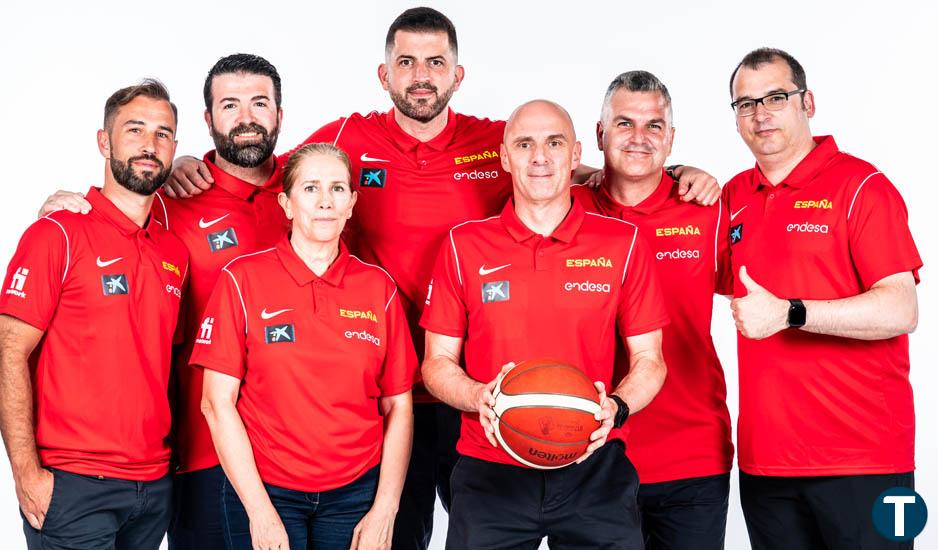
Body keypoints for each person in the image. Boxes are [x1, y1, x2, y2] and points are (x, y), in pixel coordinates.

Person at [160, 10, 718, 548]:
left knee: (482, 522)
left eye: (434, 62)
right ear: (385, 74)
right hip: (379, 394)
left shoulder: (496, 140)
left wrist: (671, 171)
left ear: (458, 74)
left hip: (478, 397)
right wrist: (193, 163)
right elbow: (289, 173)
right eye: (406, 62)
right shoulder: (351, 138)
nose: (420, 76)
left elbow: (554, 160)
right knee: (393, 533)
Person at [39, 53, 290, 550]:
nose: (245, 118)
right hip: (204, 454)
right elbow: (113, 217)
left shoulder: (311, 191)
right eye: (229, 104)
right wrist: (63, 208)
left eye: (259, 103)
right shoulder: (171, 203)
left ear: (280, 114)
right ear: (207, 121)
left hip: (309, 455)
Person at [420, 99, 669, 549]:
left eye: (554, 143)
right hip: (490, 467)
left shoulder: (624, 243)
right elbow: (436, 363)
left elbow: (651, 360)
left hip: (595, 466)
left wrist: (616, 407)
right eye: (524, 144)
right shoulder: (463, 245)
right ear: (504, 157)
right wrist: (480, 397)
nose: (539, 157)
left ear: (575, 155)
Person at [724, 47, 921, 550]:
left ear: (807, 102)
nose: (760, 113)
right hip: (766, 463)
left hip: (866, 462)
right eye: (745, 104)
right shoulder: (732, 198)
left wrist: (791, 313)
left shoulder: (862, 187)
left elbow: (901, 309)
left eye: (775, 97)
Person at [0, 80, 188, 550]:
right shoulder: (56, 233)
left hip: (153, 486)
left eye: (163, 134)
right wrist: (26, 474)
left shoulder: (172, 250)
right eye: (135, 130)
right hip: (74, 485)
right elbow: (5, 355)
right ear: (104, 141)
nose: (149, 145)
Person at [192, 143, 415, 550]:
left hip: (355, 494)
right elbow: (215, 403)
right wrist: (259, 512)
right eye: (310, 188)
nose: (326, 201)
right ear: (287, 203)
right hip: (265, 491)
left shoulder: (377, 287)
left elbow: (399, 404)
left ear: (351, 203)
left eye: (337, 189)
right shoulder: (242, 280)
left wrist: (386, 508)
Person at [571, 70, 733, 550]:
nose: (639, 138)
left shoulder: (709, 208)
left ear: (671, 138)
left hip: (692, 456)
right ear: (599, 134)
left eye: (654, 126)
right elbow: (525, 160)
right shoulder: (564, 208)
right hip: (589, 454)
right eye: (623, 124)